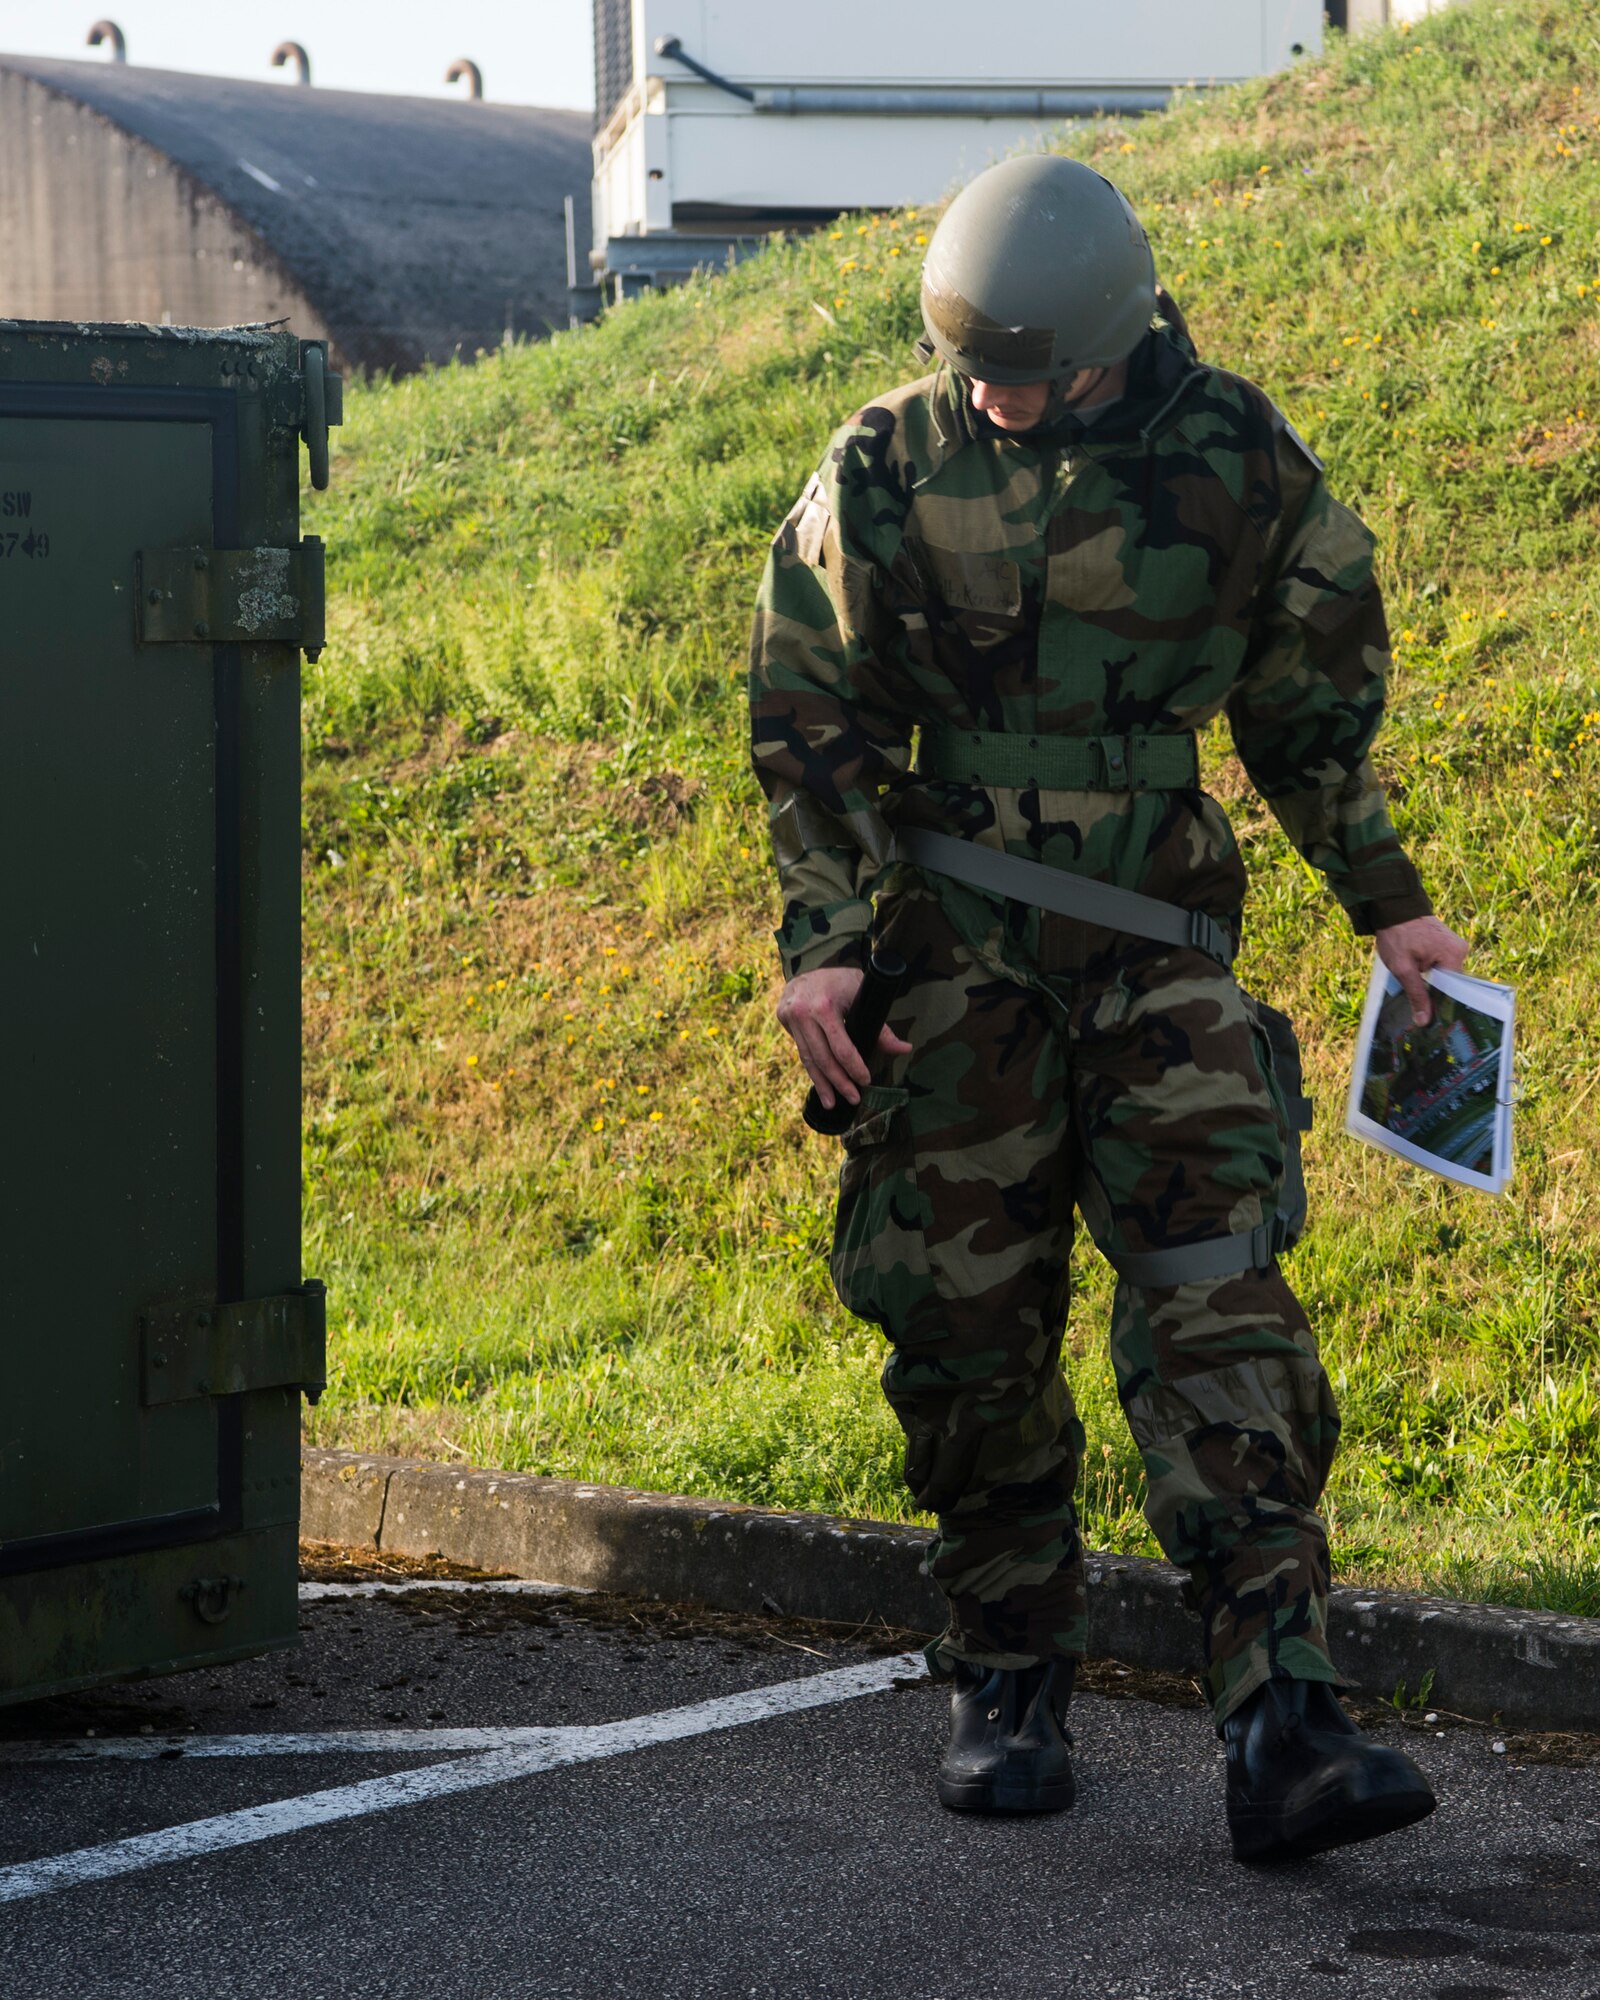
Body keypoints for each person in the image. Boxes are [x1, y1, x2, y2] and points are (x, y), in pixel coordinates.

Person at [748, 153, 1469, 1863]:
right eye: (974, 367)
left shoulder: (1234, 452)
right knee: (968, 1330)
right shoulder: (886, 457)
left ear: (1109, 337)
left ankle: (1283, 1710)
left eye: (1027, 371)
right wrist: (828, 934)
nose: (996, 397)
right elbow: (809, 704)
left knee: (1220, 1305)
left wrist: (1391, 904)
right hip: (952, 961)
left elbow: (1312, 704)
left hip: (1158, 951)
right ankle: (1006, 1678)